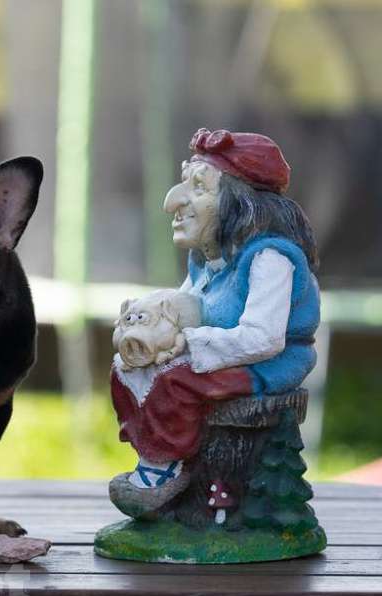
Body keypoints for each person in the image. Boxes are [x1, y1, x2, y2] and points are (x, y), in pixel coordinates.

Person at [109, 128, 320, 518]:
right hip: (215, 349)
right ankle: (149, 448)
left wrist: (187, 343)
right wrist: (151, 328)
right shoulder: (207, 258)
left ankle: (166, 464)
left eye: (199, 187)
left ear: (241, 203)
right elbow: (184, 307)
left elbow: (264, 338)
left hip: (266, 364)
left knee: (176, 380)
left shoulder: (269, 258)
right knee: (127, 366)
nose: (174, 201)